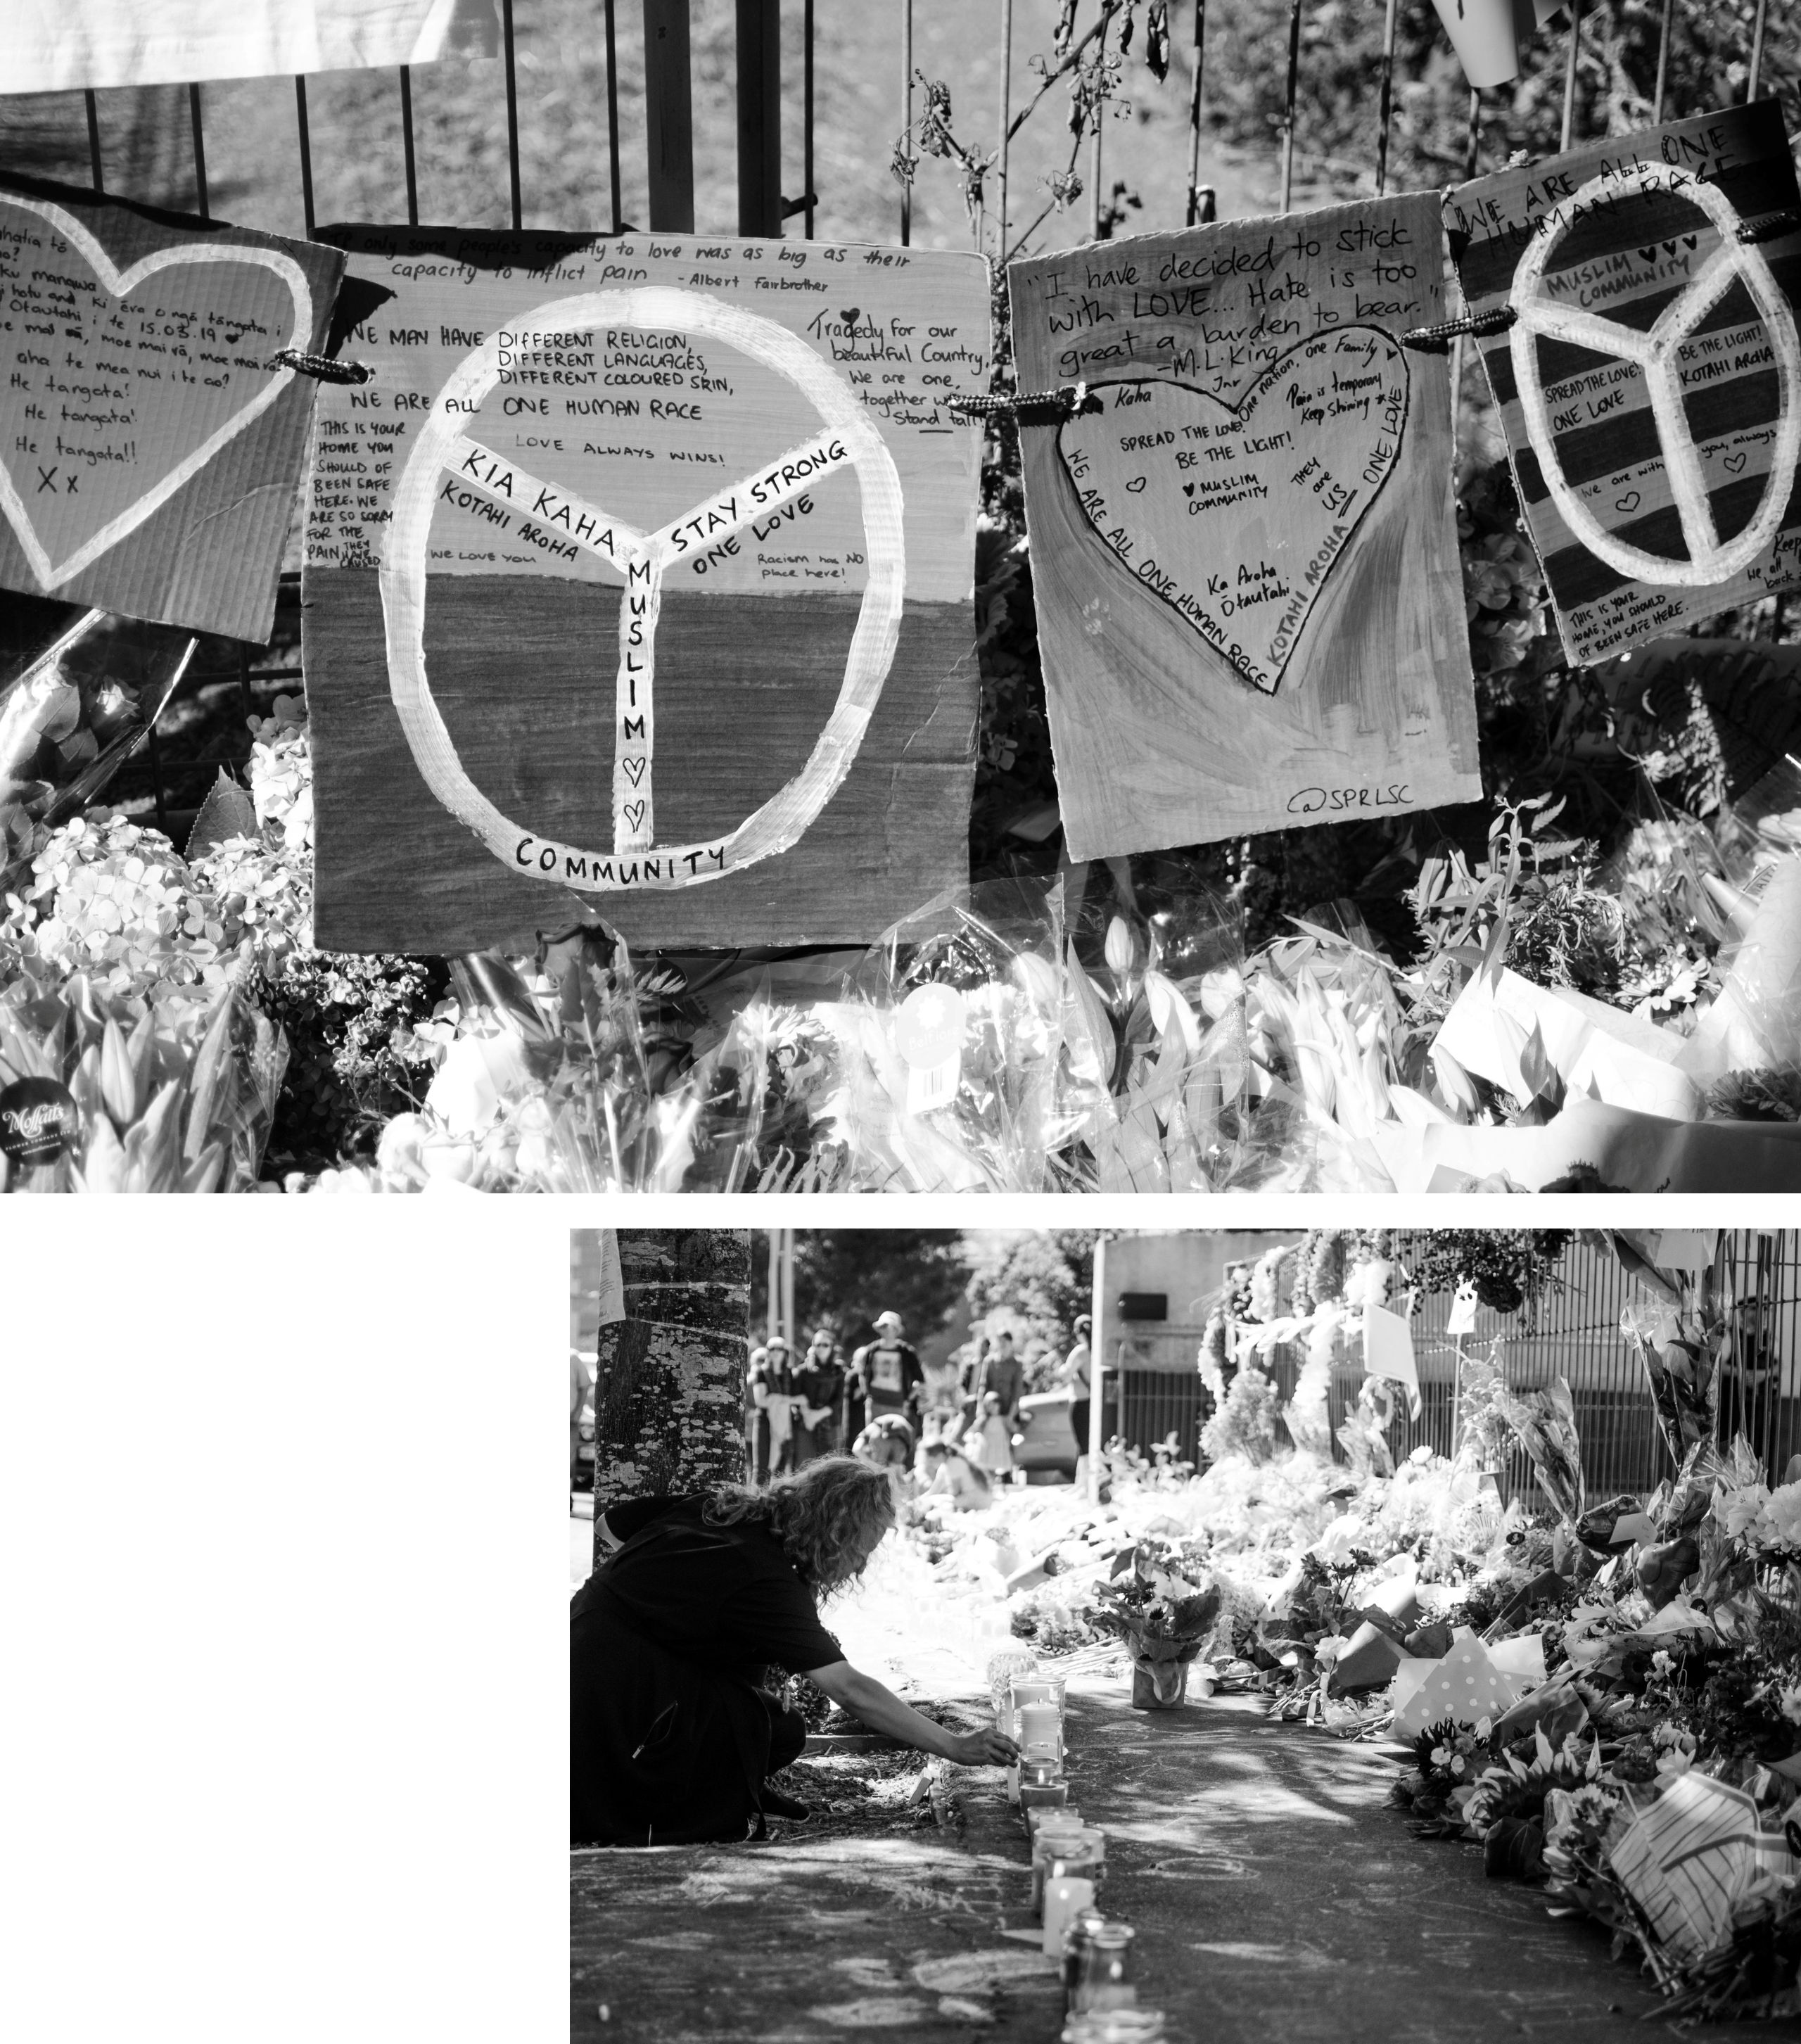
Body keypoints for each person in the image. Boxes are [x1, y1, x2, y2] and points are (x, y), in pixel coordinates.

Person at [573, 1459, 1017, 1844]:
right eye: (865, 1547)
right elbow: (850, 1689)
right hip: (612, 1688)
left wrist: (663, 1591)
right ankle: (701, 1800)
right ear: (838, 1532)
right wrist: (954, 1747)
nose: (862, 1562)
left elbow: (609, 1525)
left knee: (780, 1726)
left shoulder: (724, 1509)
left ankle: (736, 1786)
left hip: (582, 1640)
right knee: (748, 1720)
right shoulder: (765, 1579)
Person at [851, 1310, 924, 1435]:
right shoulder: (871, 1350)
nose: (887, 1330)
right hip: (875, 1403)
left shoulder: (907, 1352)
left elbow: (920, 1381)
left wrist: (907, 1400)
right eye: (883, 1326)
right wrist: (867, 1394)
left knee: (895, 1441)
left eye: (890, 1326)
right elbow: (862, 1374)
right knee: (872, 1439)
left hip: (897, 1405)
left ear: (896, 1329)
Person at [791, 1328, 844, 1465]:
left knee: (830, 1468)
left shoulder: (839, 1372)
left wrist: (817, 1415)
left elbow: (838, 1401)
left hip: (830, 1424)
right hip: (806, 1424)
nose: (821, 1348)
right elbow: (796, 1398)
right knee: (805, 1467)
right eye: (817, 1344)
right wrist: (809, 1416)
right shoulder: (803, 1371)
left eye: (825, 1345)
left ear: (832, 1347)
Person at [969, 1328, 1026, 1436]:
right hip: (990, 1409)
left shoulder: (1017, 1363)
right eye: (1000, 1341)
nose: (1002, 1344)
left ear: (1010, 1343)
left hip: (1008, 1410)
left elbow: (1017, 1392)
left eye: (1005, 1341)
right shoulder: (989, 1361)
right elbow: (983, 1386)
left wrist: (1011, 1416)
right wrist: (980, 1409)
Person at [919, 1438, 993, 1511]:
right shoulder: (943, 1466)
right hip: (968, 1498)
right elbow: (933, 1491)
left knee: (938, 1501)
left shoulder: (954, 1463)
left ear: (940, 1455)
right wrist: (919, 1501)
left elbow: (954, 1493)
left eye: (931, 1460)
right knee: (931, 1500)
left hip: (977, 1500)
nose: (930, 1463)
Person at [1062, 1316, 1094, 1455]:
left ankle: (1084, 1476)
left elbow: (1065, 1376)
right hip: (1093, 1402)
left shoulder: (1081, 1352)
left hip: (1081, 1402)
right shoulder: (1098, 1350)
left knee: (1083, 1447)